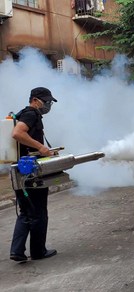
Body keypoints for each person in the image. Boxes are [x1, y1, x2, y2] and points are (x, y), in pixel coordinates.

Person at [10, 87, 58, 262]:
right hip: (29, 172)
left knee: (26, 212)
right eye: (46, 101)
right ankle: (38, 251)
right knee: (38, 212)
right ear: (36, 100)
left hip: (21, 170)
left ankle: (17, 251)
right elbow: (17, 133)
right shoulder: (31, 114)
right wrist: (40, 147)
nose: (48, 105)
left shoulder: (23, 113)